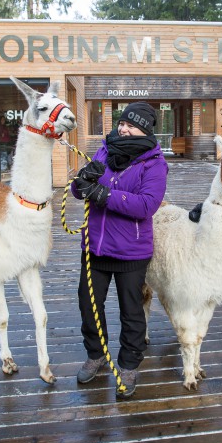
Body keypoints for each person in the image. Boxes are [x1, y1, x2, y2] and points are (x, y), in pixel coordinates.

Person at [71, 102, 168, 399]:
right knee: (89, 306)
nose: (123, 128)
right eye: (122, 123)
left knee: (132, 311)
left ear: (145, 130)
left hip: (130, 251)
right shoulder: (104, 149)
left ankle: (128, 364)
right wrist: (84, 181)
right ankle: (96, 354)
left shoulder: (154, 163)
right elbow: (78, 191)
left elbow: (146, 206)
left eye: (131, 125)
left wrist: (105, 195)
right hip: (96, 246)